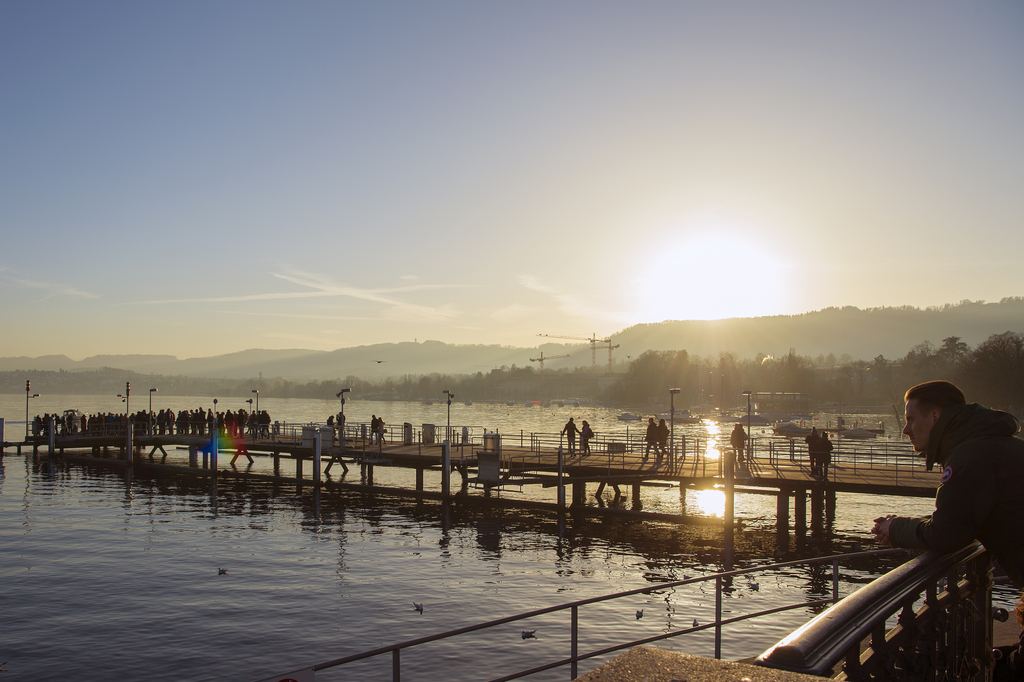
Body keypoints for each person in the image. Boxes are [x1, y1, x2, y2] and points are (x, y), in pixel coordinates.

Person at [871, 380, 1024, 587]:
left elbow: (948, 533)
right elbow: (962, 517)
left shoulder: (970, 457)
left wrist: (896, 529)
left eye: (911, 419)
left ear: (935, 416)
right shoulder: (990, 444)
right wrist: (896, 526)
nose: (905, 430)